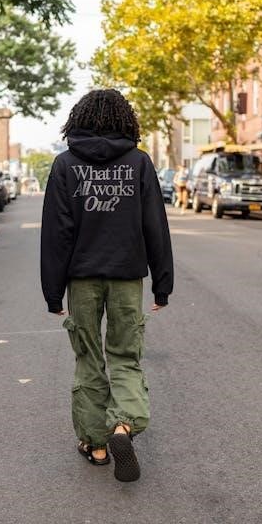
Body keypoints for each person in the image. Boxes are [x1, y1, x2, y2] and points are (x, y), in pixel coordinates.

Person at [41, 89, 174, 483]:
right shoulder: (139, 162)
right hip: (127, 277)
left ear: (78, 120)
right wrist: (162, 284)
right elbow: (155, 225)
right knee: (125, 356)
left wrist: (52, 291)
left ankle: (96, 445)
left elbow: (57, 233)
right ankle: (123, 425)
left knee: (88, 358)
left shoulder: (65, 165)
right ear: (125, 120)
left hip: (82, 278)